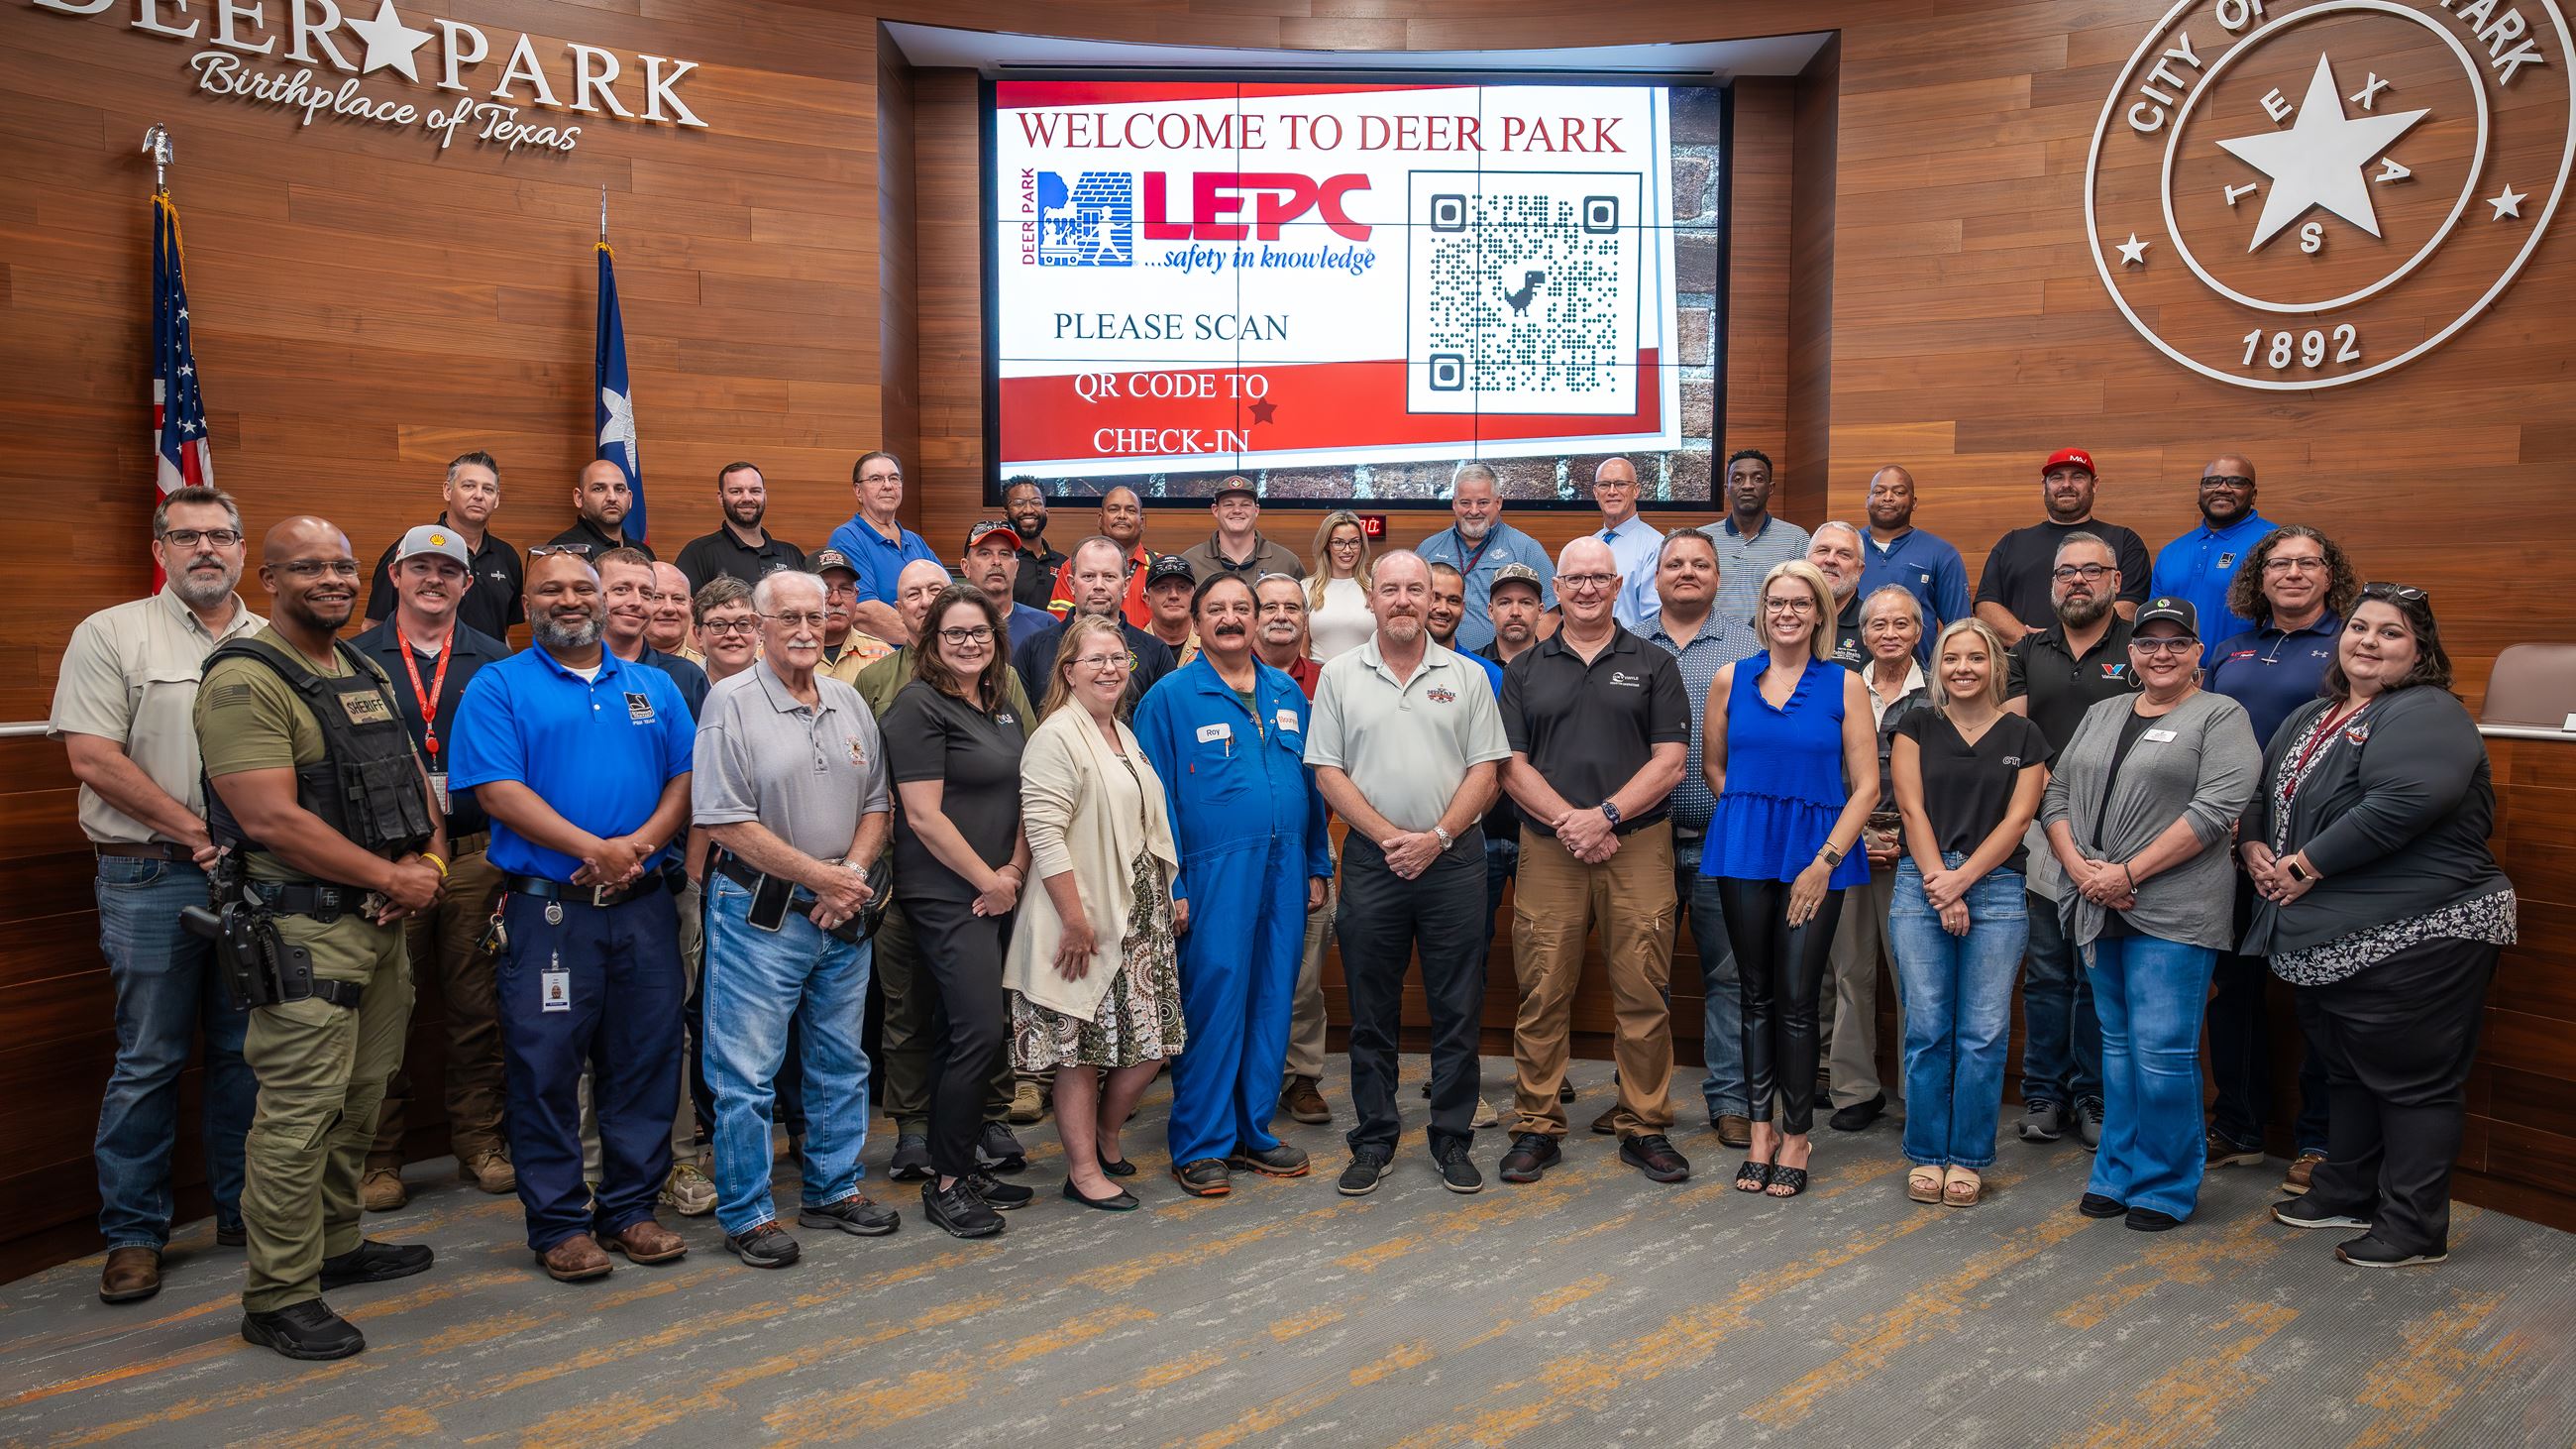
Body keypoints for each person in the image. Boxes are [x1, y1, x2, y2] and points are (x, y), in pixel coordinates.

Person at [195, 516, 445, 1359]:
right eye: (309, 567)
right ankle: (277, 1295)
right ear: (268, 579)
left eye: (343, 565)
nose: (333, 579)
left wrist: (428, 867)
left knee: (361, 1098)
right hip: (303, 930)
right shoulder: (245, 679)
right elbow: (270, 818)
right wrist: (390, 879)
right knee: (298, 1117)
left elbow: (412, 780)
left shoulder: (361, 667)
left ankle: (336, 1246)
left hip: (380, 924)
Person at [2244, 586, 2516, 1269]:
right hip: (2332, 936)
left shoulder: (2428, 711)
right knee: (2348, 1073)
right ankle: (2347, 1191)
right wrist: (2253, 846)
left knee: (2413, 1085)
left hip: (2420, 931)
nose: (2368, 641)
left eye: (2390, 633)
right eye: (2359, 627)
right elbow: (2261, 791)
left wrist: (2304, 864)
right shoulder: (2313, 714)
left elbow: (2408, 799)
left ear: (2420, 651)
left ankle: (2414, 1229)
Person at [449, 549, 696, 1282]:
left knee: (646, 1061)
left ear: (604, 599)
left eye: (582, 588)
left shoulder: (654, 685)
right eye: (550, 589)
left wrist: (637, 850)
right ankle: (559, 1224)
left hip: (642, 908)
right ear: (526, 604)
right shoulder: (498, 684)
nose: (569, 600)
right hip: (549, 913)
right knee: (545, 1067)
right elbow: (497, 790)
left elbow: (686, 777)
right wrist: (595, 850)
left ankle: (630, 1210)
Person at [52, 486, 264, 1305]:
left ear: (242, 548)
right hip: (150, 874)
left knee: (247, 1054)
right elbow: (93, 758)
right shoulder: (111, 632)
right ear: (161, 549)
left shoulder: (272, 639)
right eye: (186, 536)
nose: (205, 548)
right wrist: (197, 833)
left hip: (258, 878)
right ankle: (134, 1235)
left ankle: (246, 1215)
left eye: (220, 535)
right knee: (149, 1058)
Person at [694, 571, 900, 1267]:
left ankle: (833, 1190)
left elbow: (878, 803)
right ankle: (748, 1213)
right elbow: (723, 820)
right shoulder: (729, 702)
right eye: (789, 618)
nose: (807, 629)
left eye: (816, 616)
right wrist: (822, 878)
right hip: (760, 913)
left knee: (841, 1061)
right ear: (759, 627)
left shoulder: (848, 699)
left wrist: (850, 878)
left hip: (842, 913)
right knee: (747, 1073)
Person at [2041, 598, 2260, 1232]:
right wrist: (2081, 871)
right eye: (2148, 643)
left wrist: (2127, 874)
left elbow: (2216, 809)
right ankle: (2117, 1170)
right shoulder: (2104, 711)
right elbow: (2056, 794)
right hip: (2096, 900)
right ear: (2131, 653)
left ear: (2198, 652)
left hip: (2174, 908)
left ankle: (2165, 1183)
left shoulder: (2221, 715)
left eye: (2177, 642)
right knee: (2116, 1048)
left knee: (2162, 1054)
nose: (2161, 653)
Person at [1306, 551, 1509, 1196]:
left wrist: (1438, 836)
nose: (1402, 600)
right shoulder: (1340, 675)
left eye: (1414, 590)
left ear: (1431, 600)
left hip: (1455, 861)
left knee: (1457, 1007)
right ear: (1372, 598)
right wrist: (1390, 838)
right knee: (1372, 1010)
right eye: (1390, 589)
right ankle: (1374, 1139)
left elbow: (1487, 770)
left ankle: (1451, 1138)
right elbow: (1327, 771)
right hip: (1374, 860)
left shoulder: (1467, 675)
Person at [1494, 537, 1691, 1186]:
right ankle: (1536, 1125)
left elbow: (1671, 762)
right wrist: (1571, 823)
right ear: (1557, 587)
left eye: (1598, 578)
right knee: (1543, 989)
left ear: (1617, 585)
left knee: (1643, 991)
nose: (1586, 589)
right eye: (1574, 578)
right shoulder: (1525, 669)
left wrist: (1604, 816)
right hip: (1550, 847)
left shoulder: (1655, 663)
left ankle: (1644, 1125)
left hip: (1637, 845)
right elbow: (1510, 766)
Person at [1135, 577, 1334, 1196]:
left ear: (1257, 620)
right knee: (1215, 1002)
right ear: (1196, 623)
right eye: (1216, 609)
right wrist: (1171, 883)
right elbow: (1151, 802)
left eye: (1241, 609)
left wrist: (1316, 862)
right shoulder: (1169, 698)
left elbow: (1311, 784)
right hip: (1212, 872)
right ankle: (1201, 1142)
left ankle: (1253, 1131)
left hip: (1284, 869)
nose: (1230, 618)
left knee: (1273, 998)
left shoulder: (1286, 692)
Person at [1700, 560, 1878, 1199]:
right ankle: (1761, 1134)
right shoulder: (1730, 678)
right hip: (1744, 849)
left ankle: (1798, 1137)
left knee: (1799, 1001)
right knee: (1754, 996)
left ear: (1820, 613)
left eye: (1801, 603)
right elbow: (1715, 767)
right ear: (1762, 610)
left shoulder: (1846, 685)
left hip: (1818, 856)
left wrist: (1822, 862)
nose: (1787, 613)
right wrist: (1752, 812)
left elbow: (1867, 787)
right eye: (1777, 602)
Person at [351, 526, 516, 1212]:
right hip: (389, 861)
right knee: (385, 1010)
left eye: (448, 570)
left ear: (467, 584)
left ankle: (481, 1142)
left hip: (476, 855)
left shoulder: (496, 660)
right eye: (420, 566)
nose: (434, 580)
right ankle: (378, 1157)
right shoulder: (354, 658)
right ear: (394, 575)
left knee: (479, 1009)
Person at [857, 559, 1037, 1180]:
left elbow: (1025, 791)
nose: (968, 643)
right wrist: (990, 881)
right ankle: (953, 1181)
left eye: (979, 632)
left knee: (964, 1029)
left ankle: (954, 1163)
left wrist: (1013, 872)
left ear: (996, 638)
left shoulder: (999, 702)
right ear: (931, 639)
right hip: (945, 894)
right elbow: (923, 816)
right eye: (954, 633)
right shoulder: (918, 705)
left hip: (999, 890)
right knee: (977, 1032)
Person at [1009, 613, 1187, 1211]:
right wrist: (1075, 921)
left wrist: (1169, 890)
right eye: (1096, 660)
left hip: (1140, 915)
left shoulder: (1121, 732)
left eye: (1119, 659)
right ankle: (1082, 1171)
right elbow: (1044, 834)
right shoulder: (1056, 736)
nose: (1111, 669)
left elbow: (1146, 822)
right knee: (1081, 1054)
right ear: (1068, 671)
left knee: (1154, 1044)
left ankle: (1106, 1138)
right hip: (1085, 916)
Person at [2202, 525, 2357, 1190]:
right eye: (2279, 563)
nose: (2292, 573)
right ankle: (2238, 1126)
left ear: (2329, 575)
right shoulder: (2230, 649)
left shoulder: (2350, 643)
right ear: (2259, 576)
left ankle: (2320, 1140)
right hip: (2233, 841)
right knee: (2232, 990)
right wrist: (2241, 832)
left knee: (2319, 995)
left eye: (2307, 563)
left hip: (2316, 846)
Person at [1886, 618, 2052, 1208]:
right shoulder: (1916, 723)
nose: (1963, 669)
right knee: (1927, 1028)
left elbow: (2018, 819)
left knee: (1983, 1033)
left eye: (1976, 658)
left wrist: (1962, 881)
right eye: (1952, 658)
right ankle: (1927, 1153)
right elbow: (1910, 809)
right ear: (1938, 667)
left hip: (1997, 888)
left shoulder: (2024, 734)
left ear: (1995, 667)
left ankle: (1969, 1158)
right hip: (1921, 883)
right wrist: (1943, 884)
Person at [2003, 532, 2138, 1149]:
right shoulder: (2029, 649)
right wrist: (2052, 797)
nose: (2078, 580)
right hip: (2041, 828)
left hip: (2121, 834)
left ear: (2115, 581)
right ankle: (2043, 1093)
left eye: (2091, 570)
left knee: (2096, 975)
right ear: (2052, 583)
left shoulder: (2139, 646)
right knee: (2047, 972)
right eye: (2066, 572)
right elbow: (2014, 733)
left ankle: (2093, 1094)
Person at [1640, 530, 1762, 1150]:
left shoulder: (1750, 647)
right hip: (1644, 839)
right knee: (1642, 976)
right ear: (1656, 576)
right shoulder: (1626, 642)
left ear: (1718, 577)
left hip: (1724, 838)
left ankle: (1731, 1101)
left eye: (1699, 564)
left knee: (1729, 975)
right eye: (1674, 564)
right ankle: (1640, 1100)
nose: (1686, 572)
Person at [1825, 585, 1929, 1134]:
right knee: (1850, 971)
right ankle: (1855, 1091)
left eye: (1901, 623)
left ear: (1919, 631)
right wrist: (1853, 837)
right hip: (1847, 845)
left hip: (1915, 850)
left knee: (1913, 974)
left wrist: (1906, 842)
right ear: (1862, 634)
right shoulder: (1841, 690)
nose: (1890, 634)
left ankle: (1919, 1092)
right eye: (1878, 625)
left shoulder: (1939, 692)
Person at [1259, 574, 1336, 1127]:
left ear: (1306, 619)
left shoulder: (1329, 681)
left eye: (1292, 607)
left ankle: (1301, 1076)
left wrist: (1316, 857)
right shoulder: (1218, 677)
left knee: (1304, 970)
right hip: (1239, 848)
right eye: (1269, 607)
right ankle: (1247, 1076)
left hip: (1309, 840)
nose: (1281, 615)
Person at [1974, 448, 2150, 643]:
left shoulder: (2125, 541)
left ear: (2094, 484)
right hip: (2022, 660)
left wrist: (2070, 644)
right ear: (2044, 485)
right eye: (2057, 477)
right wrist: (2035, 646)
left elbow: (2129, 608)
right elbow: (1986, 608)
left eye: (2077, 477)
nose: (2066, 485)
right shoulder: (2011, 543)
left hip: (2101, 659)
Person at [363, 451, 524, 640]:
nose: (479, 495)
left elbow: (502, 632)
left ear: (496, 499)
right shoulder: (410, 550)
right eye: (469, 486)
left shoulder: (507, 557)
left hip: (488, 660)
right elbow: (373, 626)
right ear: (448, 491)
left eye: (488, 489)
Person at [1015, 536, 1177, 718]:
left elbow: (1167, 721)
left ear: (1126, 585)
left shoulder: (1155, 652)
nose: (1098, 586)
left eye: (1109, 576)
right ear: (1072, 584)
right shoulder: (1034, 648)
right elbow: (1021, 724)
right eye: (1088, 576)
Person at [1417, 463, 1556, 652]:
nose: (1474, 511)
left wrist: (1526, 662)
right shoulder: (1428, 549)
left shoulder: (1526, 549)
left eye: (1483, 503)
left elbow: (1550, 616)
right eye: (1465, 503)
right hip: (1437, 662)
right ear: (1454, 504)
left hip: (1503, 665)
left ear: (1498, 503)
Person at [2151, 456, 2274, 664]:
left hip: (2249, 674)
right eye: (2212, 481)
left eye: (2236, 482)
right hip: (2177, 675)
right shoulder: (2171, 552)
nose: (2222, 488)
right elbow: (2155, 624)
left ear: (2253, 495)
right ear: (2200, 491)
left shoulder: (2275, 543)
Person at [1854, 465, 1970, 664]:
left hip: (1918, 675)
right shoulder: (1846, 547)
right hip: (1847, 670)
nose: (1888, 497)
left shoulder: (1941, 553)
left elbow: (1959, 628)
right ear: (1867, 501)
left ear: (1914, 502)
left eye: (1898, 492)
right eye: (1879, 492)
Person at [1690, 449, 1810, 632]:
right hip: (1711, 639)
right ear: (1726, 489)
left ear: (1771, 488)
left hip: (1773, 642)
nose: (1747, 485)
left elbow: (1804, 600)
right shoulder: (1702, 539)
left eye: (1758, 479)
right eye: (1738, 479)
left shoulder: (1796, 539)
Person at [826, 450, 940, 641]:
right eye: (876, 479)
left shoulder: (916, 542)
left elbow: (949, 596)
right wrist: (933, 642)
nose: (887, 486)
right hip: (887, 654)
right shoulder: (847, 538)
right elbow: (866, 612)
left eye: (894, 478)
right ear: (858, 491)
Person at [596, 547, 710, 721]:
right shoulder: (567, 668)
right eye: (621, 589)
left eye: (646, 594)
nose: (636, 601)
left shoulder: (685, 674)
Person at [675, 461, 805, 594]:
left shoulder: (791, 554)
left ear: (765, 496)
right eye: (736, 491)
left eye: (755, 491)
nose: (747, 498)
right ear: (721, 498)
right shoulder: (699, 553)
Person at [1046, 487, 1152, 627]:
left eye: (1131, 510)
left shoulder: (1159, 567)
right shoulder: (1072, 566)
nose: (1122, 515)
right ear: (1100, 520)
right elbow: (1062, 626)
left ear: (1142, 522)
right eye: (1114, 509)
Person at [1180, 477, 1304, 585]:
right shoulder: (1190, 562)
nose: (1237, 510)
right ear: (1215, 510)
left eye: (1245, 505)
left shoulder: (1286, 562)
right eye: (1228, 504)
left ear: (1256, 510)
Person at [1586, 457, 1663, 629]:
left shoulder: (1656, 547)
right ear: (1596, 492)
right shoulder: (1588, 545)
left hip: (1633, 644)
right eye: (1604, 485)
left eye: (1621, 484)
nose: (1612, 491)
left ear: (1636, 491)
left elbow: (1655, 619)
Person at [963, 518, 1057, 645]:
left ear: (1017, 567)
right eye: (985, 553)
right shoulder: (949, 624)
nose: (996, 561)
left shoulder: (1046, 626)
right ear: (966, 567)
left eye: (1004, 554)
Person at [1303, 509, 1378, 662]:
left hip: (1367, 673)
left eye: (1354, 542)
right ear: (1326, 545)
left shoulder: (1375, 588)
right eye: (1338, 542)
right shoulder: (1306, 588)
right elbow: (1301, 652)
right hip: (1319, 674)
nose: (1347, 550)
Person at [811, 548, 896, 684]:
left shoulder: (882, 655)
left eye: (845, 589)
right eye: (825, 590)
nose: (836, 600)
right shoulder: (783, 655)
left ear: (856, 595)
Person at [547, 458, 654, 561]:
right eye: (599, 489)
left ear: (630, 499)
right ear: (579, 498)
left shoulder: (644, 552)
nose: (612, 498)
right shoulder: (565, 552)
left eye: (619, 489)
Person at [1427, 562, 1505, 695]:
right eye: (1434, 598)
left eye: (1453, 600)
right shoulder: (1397, 665)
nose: (1443, 609)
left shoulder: (1486, 673)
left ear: (1463, 609)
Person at [1806, 522, 1869, 669]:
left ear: (1859, 570)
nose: (1830, 560)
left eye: (1844, 554)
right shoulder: (1778, 616)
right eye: (1823, 550)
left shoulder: (1873, 625)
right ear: (1806, 560)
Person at [1004, 478, 1066, 612]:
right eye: (1019, 503)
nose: (1028, 510)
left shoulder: (1065, 564)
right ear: (1006, 514)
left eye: (1036, 502)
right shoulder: (1002, 562)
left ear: (1046, 512)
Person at [692, 577, 761, 685]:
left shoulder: (784, 684)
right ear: (699, 634)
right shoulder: (680, 687)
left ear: (760, 631)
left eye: (743, 624)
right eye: (718, 625)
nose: (732, 634)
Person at [1140, 554, 1203, 666]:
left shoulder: (1212, 646)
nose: (1173, 595)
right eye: (1163, 587)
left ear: (1195, 596)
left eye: (1182, 587)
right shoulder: (1131, 648)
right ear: (1147, 599)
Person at [648, 563, 696, 658]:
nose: (669, 608)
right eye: (656, 597)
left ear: (691, 606)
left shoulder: (707, 666)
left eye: (678, 599)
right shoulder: (616, 663)